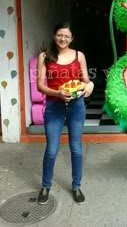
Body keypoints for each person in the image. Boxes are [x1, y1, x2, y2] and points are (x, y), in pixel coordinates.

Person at [36, 21, 94, 205]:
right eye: (60, 35)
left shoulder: (79, 56)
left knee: (76, 148)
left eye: (67, 36)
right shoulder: (45, 56)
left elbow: (85, 80)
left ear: (72, 38)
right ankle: (45, 186)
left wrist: (90, 85)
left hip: (76, 106)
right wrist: (58, 94)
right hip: (54, 107)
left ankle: (76, 186)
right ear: (54, 35)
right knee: (52, 149)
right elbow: (40, 86)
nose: (63, 39)